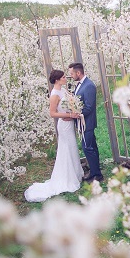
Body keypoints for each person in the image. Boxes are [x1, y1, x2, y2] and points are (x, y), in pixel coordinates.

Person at [24, 69, 84, 202]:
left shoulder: (63, 90)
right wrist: (69, 115)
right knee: (66, 149)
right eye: (63, 77)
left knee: (72, 147)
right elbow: (52, 113)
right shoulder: (55, 94)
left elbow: (70, 102)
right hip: (64, 125)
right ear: (57, 80)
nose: (65, 78)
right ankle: (67, 178)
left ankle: (75, 173)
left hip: (69, 124)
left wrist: (74, 109)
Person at [68, 62, 103, 182]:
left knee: (87, 147)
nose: (71, 76)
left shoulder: (88, 86)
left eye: (72, 73)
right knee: (91, 146)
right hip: (83, 122)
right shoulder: (79, 85)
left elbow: (89, 107)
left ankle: (97, 175)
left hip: (87, 122)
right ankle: (95, 171)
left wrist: (76, 114)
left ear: (78, 72)